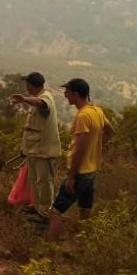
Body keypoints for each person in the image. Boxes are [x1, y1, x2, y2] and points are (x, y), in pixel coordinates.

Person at [47, 78, 114, 241]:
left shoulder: (83, 116)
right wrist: (97, 146)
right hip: (91, 171)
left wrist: (71, 177)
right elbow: (111, 131)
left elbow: (80, 149)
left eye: (67, 92)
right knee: (85, 209)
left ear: (76, 94)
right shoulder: (96, 110)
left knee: (55, 211)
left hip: (80, 173)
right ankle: (83, 244)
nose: (65, 95)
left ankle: (47, 251)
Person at [9, 72, 62, 225]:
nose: (26, 86)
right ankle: (37, 208)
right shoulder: (38, 98)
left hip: (44, 151)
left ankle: (45, 214)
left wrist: (24, 99)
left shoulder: (46, 97)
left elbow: (42, 103)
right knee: (35, 181)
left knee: (44, 182)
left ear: (32, 85)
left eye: (27, 84)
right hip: (34, 150)